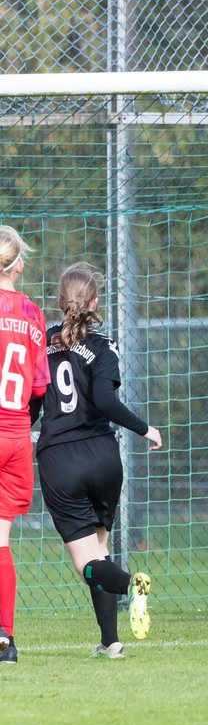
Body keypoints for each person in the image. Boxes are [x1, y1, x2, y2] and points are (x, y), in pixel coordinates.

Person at [33, 263, 163, 658]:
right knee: (100, 551)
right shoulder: (104, 345)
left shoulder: (43, 343)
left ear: (60, 301)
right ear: (94, 302)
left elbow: (34, 402)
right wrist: (144, 429)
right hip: (104, 458)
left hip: (61, 459)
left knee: (88, 565)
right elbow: (105, 400)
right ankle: (111, 642)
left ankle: (130, 584)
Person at [0, 226, 49, 663]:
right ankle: (6, 640)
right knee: (1, 541)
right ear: (18, 264)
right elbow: (39, 387)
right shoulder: (33, 314)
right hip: (16, 436)